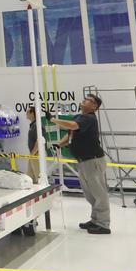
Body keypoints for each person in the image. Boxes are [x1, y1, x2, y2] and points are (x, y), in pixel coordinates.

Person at [52, 94, 110, 234]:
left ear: (94, 106)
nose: (84, 100)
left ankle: (103, 224)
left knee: (98, 193)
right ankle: (95, 220)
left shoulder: (89, 118)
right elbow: (71, 133)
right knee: (90, 193)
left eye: (88, 100)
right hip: (84, 161)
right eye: (84, 99)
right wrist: (59, 144)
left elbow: (72, 126)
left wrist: (53, 119)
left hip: (92, 160)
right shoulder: (79, 117)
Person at [24, 106, 40, 183]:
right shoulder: (33, 125)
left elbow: (39, 140)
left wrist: (33, 153)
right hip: (33, 154)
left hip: (36, 154)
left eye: (27, 112)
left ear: (32, 113)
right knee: (30, 176)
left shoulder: (37, 125)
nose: (26, 114)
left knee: (38, 175)